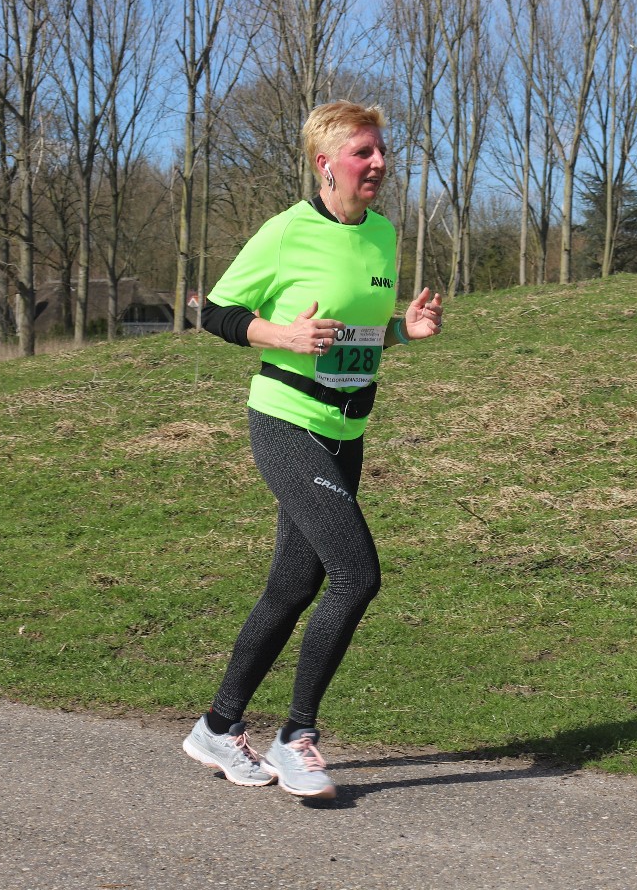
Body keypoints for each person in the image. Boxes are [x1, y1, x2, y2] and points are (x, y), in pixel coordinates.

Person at [181, 100, 443, 800]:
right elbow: (212, 310)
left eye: (381, 151)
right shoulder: (286, 232)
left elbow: (356, 332)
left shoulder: (382, 234)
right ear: (326, 164)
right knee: (356, 576)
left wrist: (402, 331)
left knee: (294, 586)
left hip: (347, 431)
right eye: (363, 152)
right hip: (287, 420)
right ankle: (296, 737)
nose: (379, 163)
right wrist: (281, 335)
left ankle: (216, 727)